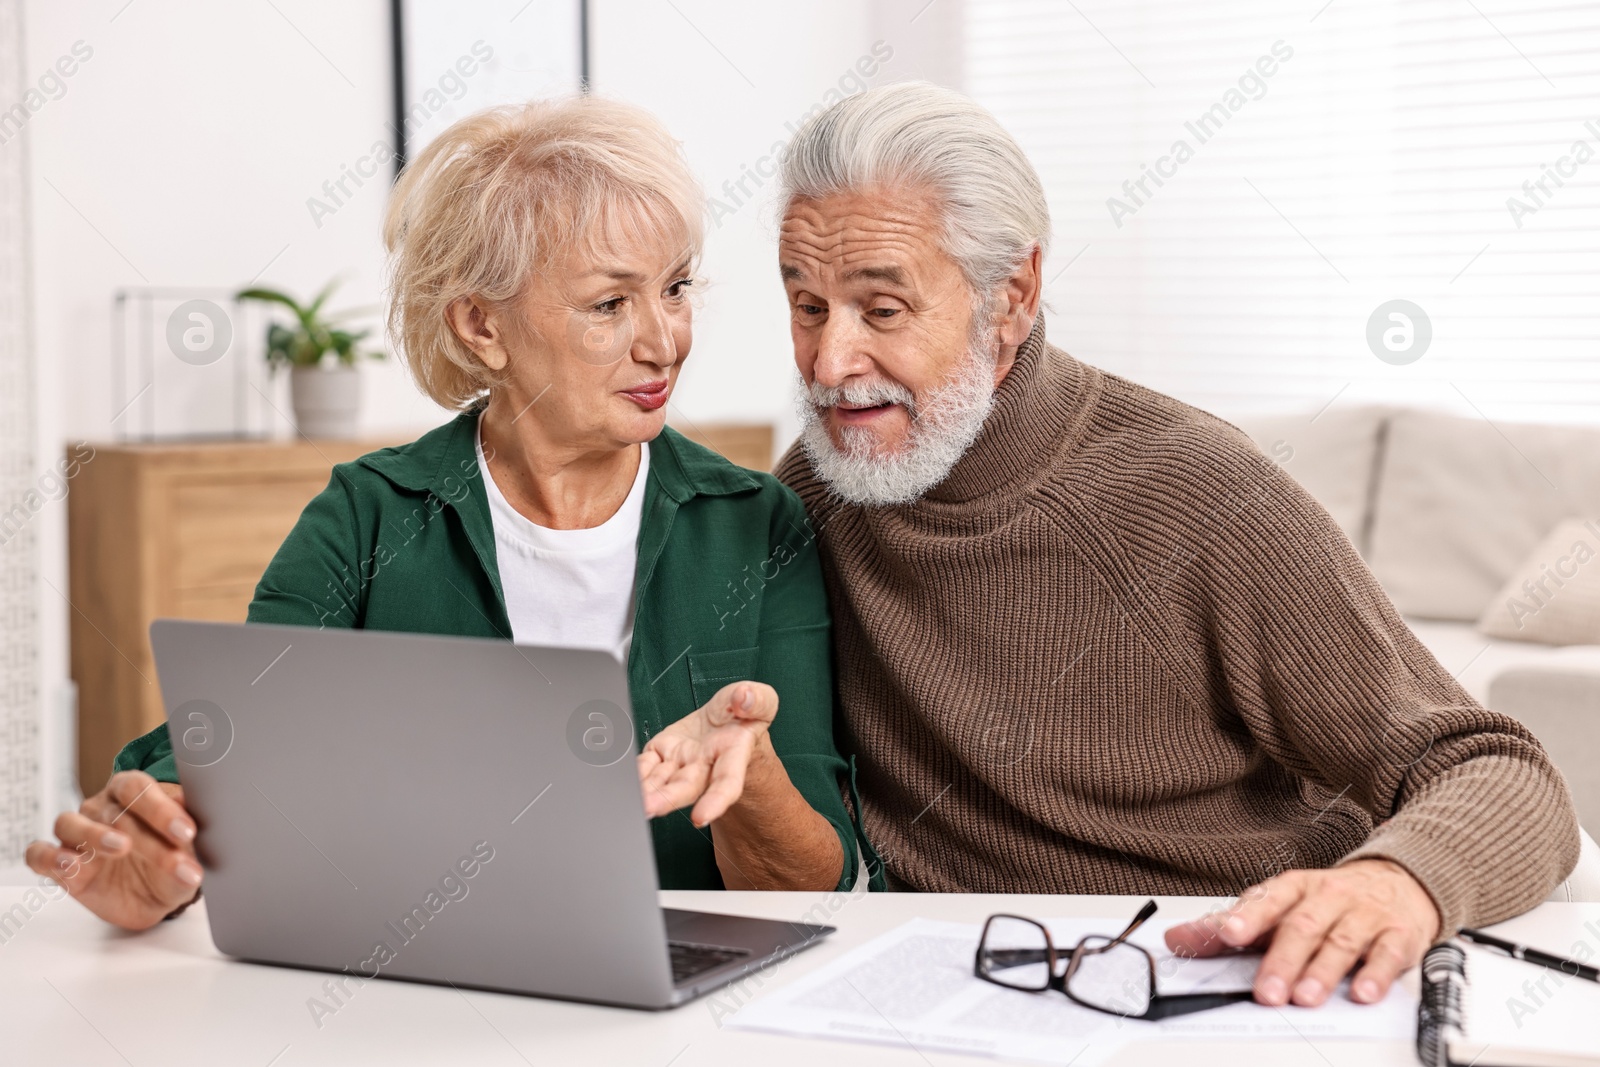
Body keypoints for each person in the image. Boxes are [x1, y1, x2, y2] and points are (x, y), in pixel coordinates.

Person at [771, 81, 1581, 1009]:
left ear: (1012, 296)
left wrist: (1394, 881)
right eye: (806, 307)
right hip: (981, 988)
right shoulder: (814, 491)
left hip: (1239, 981)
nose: (831, 365)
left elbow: (1502, 772)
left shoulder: (1198, 493)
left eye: (881, 311)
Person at [25, 97, 855, 930]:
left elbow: (810, 882)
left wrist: (749, 776)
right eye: (609, 304)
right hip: (421, 988)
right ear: (480, 324)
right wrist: (160, 844)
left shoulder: (758, 523)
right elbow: (238, 738)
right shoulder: (369, 515)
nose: (663, 340)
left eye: (675, 288)